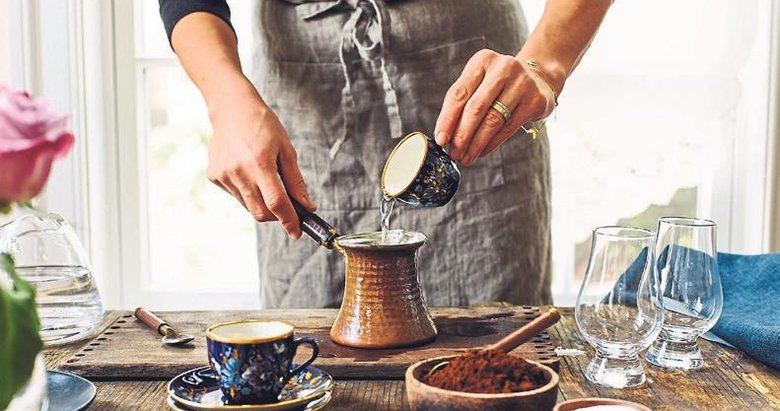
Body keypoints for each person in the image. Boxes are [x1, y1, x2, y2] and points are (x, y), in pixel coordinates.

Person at [159, 0, 612, 308]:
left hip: (477, 80)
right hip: (304, 100)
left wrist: (547, 62)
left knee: (495, 352)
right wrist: (226, 99)